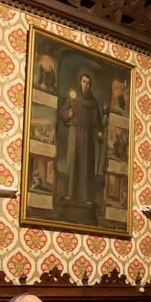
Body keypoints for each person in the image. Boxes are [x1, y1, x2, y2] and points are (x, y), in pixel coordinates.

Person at [56, 72, 104, 204]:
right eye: (84, 82)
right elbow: (62, 112)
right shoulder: (73, 98)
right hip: (75, 132)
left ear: (90, 85)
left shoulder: (93, 103)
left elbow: (96, 123)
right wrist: (68, 114)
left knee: (86, 166)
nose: (86, 85)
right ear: (80, 82)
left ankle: (86, 197)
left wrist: (99, 132)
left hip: (88, 137)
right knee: (73, 162)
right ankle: (69, 193)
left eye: (88, 83)